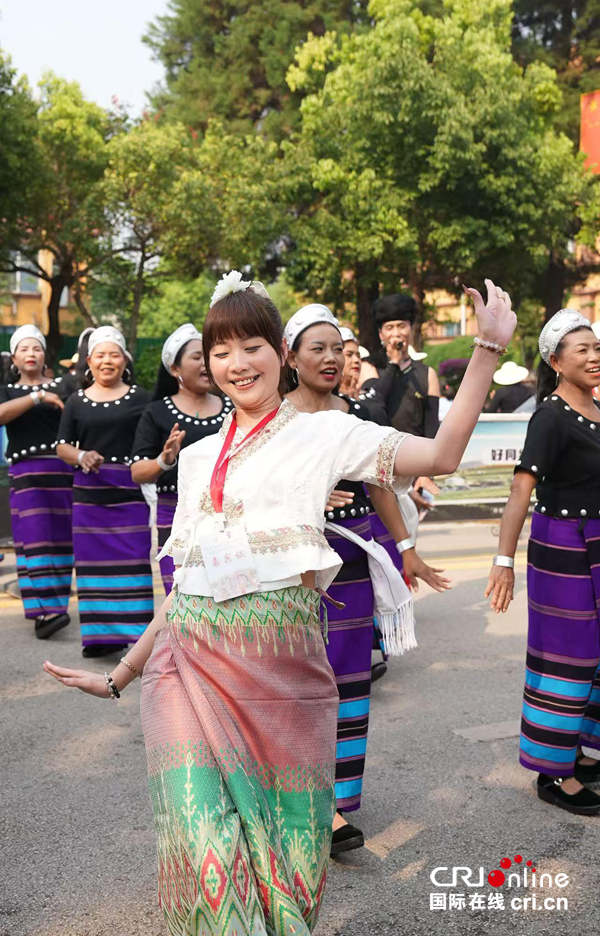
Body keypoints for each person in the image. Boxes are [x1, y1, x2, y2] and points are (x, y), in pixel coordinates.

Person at [44, 273, 515, 936]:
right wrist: (121, 675)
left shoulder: (328, 432)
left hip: (282, 681)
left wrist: (488, 351)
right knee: (209, 853)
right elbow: (187, 586)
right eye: (221, 351)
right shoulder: (201, 454)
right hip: (187, 671)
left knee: (284, 871)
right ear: (207, 364)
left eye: (252, 346)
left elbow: (441, 452)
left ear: (282, 353)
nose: (237, 363)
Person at [284, 303, 450, 856]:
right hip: (295, 566)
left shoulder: (352, 413)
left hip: (353, 564)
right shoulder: (270, 420)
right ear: (290, 356)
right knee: (300, 686)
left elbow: (379, 482)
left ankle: (332, 806)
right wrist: (302, 499)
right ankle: (294, 802)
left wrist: (405, 549)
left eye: (339, 348)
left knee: (348, 684)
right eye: (318, 348)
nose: (332, 358)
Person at [486, 309, 600, 816]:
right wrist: (503, 560)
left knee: (593, 654)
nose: (595, 357)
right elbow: (520, 490)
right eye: (583, 350)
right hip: (563, 546)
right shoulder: (550, 415)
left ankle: (577, 748)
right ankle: (553, 772)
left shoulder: (597, 408)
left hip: (596, 539)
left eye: (597, 348)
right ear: (555, 361)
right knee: (565, 654)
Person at [55, 327, 153, 658]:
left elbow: (149, 440)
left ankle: (138, 638)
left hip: (129, 495)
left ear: (125, 360)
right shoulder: (75, 401)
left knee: (132, 563)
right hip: (89, 497)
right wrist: (82, 456)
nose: (107, 361)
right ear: (89, 361)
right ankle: (100, 639)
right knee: (93, 566)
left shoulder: (141, 398)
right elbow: (62, 446)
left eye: (114, 354)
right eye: (100, 355)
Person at [131, 323, 232, 593]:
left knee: (229, 594)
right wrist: (164, 460)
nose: (205, 364)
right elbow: (138, 471)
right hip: (175, 515)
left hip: (229, 514)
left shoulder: (234, 407)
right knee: (181, 597)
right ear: (174, 369)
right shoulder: (156, 412)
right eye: (196, 357)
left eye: (209, 356)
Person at [0, 325, 75, 638]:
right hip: (27, 475)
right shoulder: (7, 389)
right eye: (24, 350)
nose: (31, 354)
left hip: (64, 473)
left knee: (61, 541)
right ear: (14, 357)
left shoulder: (66, 384)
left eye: (36, 348)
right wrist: (38, 397)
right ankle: (46, 611)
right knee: (33, 541)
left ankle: (55, 606)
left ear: (45, 354)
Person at [358, 293, 440, 437]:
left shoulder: (427, 374)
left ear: (410, 329)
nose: (396, 334)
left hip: (415, 453)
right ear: (380, 334)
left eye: (401, 326)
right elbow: (374, 401)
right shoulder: (368, 366)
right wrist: (394, 363)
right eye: (389, 328)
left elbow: (432, 427)